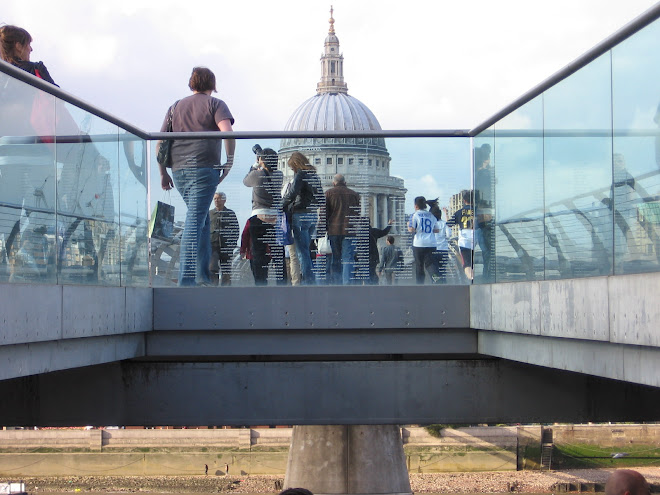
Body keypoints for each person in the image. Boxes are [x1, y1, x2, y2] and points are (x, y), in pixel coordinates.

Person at [157, 66, 235, 287]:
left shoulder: (175, 107)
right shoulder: (216, 104)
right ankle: (187, 282)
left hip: (179, 170)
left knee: (201, 221)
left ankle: (204, 276)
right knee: (195, 222)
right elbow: (228, 133)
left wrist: (163, 173)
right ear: (213, 84)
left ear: (191, 83)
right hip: (204, 168)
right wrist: (229, 162)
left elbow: (161, 142)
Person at [243, 146, 284, 285]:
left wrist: (255, 164)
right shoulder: (279, 175)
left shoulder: (257, 175)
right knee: (278, 253)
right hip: (275, 218)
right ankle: (282, 283)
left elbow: (245, 181)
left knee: (259, 252)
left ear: (262, 160)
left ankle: (261, 284)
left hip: (259, 216)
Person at [282, 152, 324, 285]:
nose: (292, 170)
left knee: (302, 252)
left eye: (292, 167)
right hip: (312, 215)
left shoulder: (301, 174)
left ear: (296, 164)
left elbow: (292, 193)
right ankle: (310, 280)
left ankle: (309, 281)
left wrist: (280, 205)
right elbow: (321, 198)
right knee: (306, 249)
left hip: (300, 215)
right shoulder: (314, 176)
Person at [325, 174, 361, 285]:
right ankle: (347, 283)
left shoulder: (328, 193)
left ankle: (337, 283)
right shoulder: (354, 194)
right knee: (348, 257)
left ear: (333, 183)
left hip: (333, 230)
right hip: (349, 230)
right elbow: (357, 213)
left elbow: (324, 213)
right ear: (345, 183)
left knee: (336, 257)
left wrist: (323, 228)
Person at [209, 191, 239, 286]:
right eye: (215, 199)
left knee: (226, 270)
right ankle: (213, 290)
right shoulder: (210, 214)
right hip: (213, 246)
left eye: (218, 198)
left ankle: (226, 292)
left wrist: (231, 244)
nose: (216, 201)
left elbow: (236, 230)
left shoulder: (230, 214)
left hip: (226, 247)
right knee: (212, 268)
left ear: (224, 200)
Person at [408, 196, 439, 284]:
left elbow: (411, 229)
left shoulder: (415, 215)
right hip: (431, 243)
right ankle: (436, 280)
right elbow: (436, 230)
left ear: (416, 206)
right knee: (431, 265)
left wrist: (409, 225)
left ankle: (420, 285)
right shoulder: (431, 215)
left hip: (419, 244)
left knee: (419, 265)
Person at [474, 144, 494, 281]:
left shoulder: (483, 173)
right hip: (483, 216)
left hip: (483, 216)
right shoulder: (482, 173)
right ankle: (487, 275)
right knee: (487, 249)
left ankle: (487, 275)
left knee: (487, 250)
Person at [445, 190, 475, 280]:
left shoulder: (459, 212)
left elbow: (449, 224)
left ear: (464, 201)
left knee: (467, 264)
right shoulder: (478, 211)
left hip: (465, 241)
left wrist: (446, 214)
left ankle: (472, 279)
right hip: (477, 240)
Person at [429, 200, 452, 284]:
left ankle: (435, 285)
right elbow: (449, 235)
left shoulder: (430, 224)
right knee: (443, 271)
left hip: (433, 250)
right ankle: (444, 287)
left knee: (434, 272)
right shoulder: (444, 224)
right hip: (443, 250)